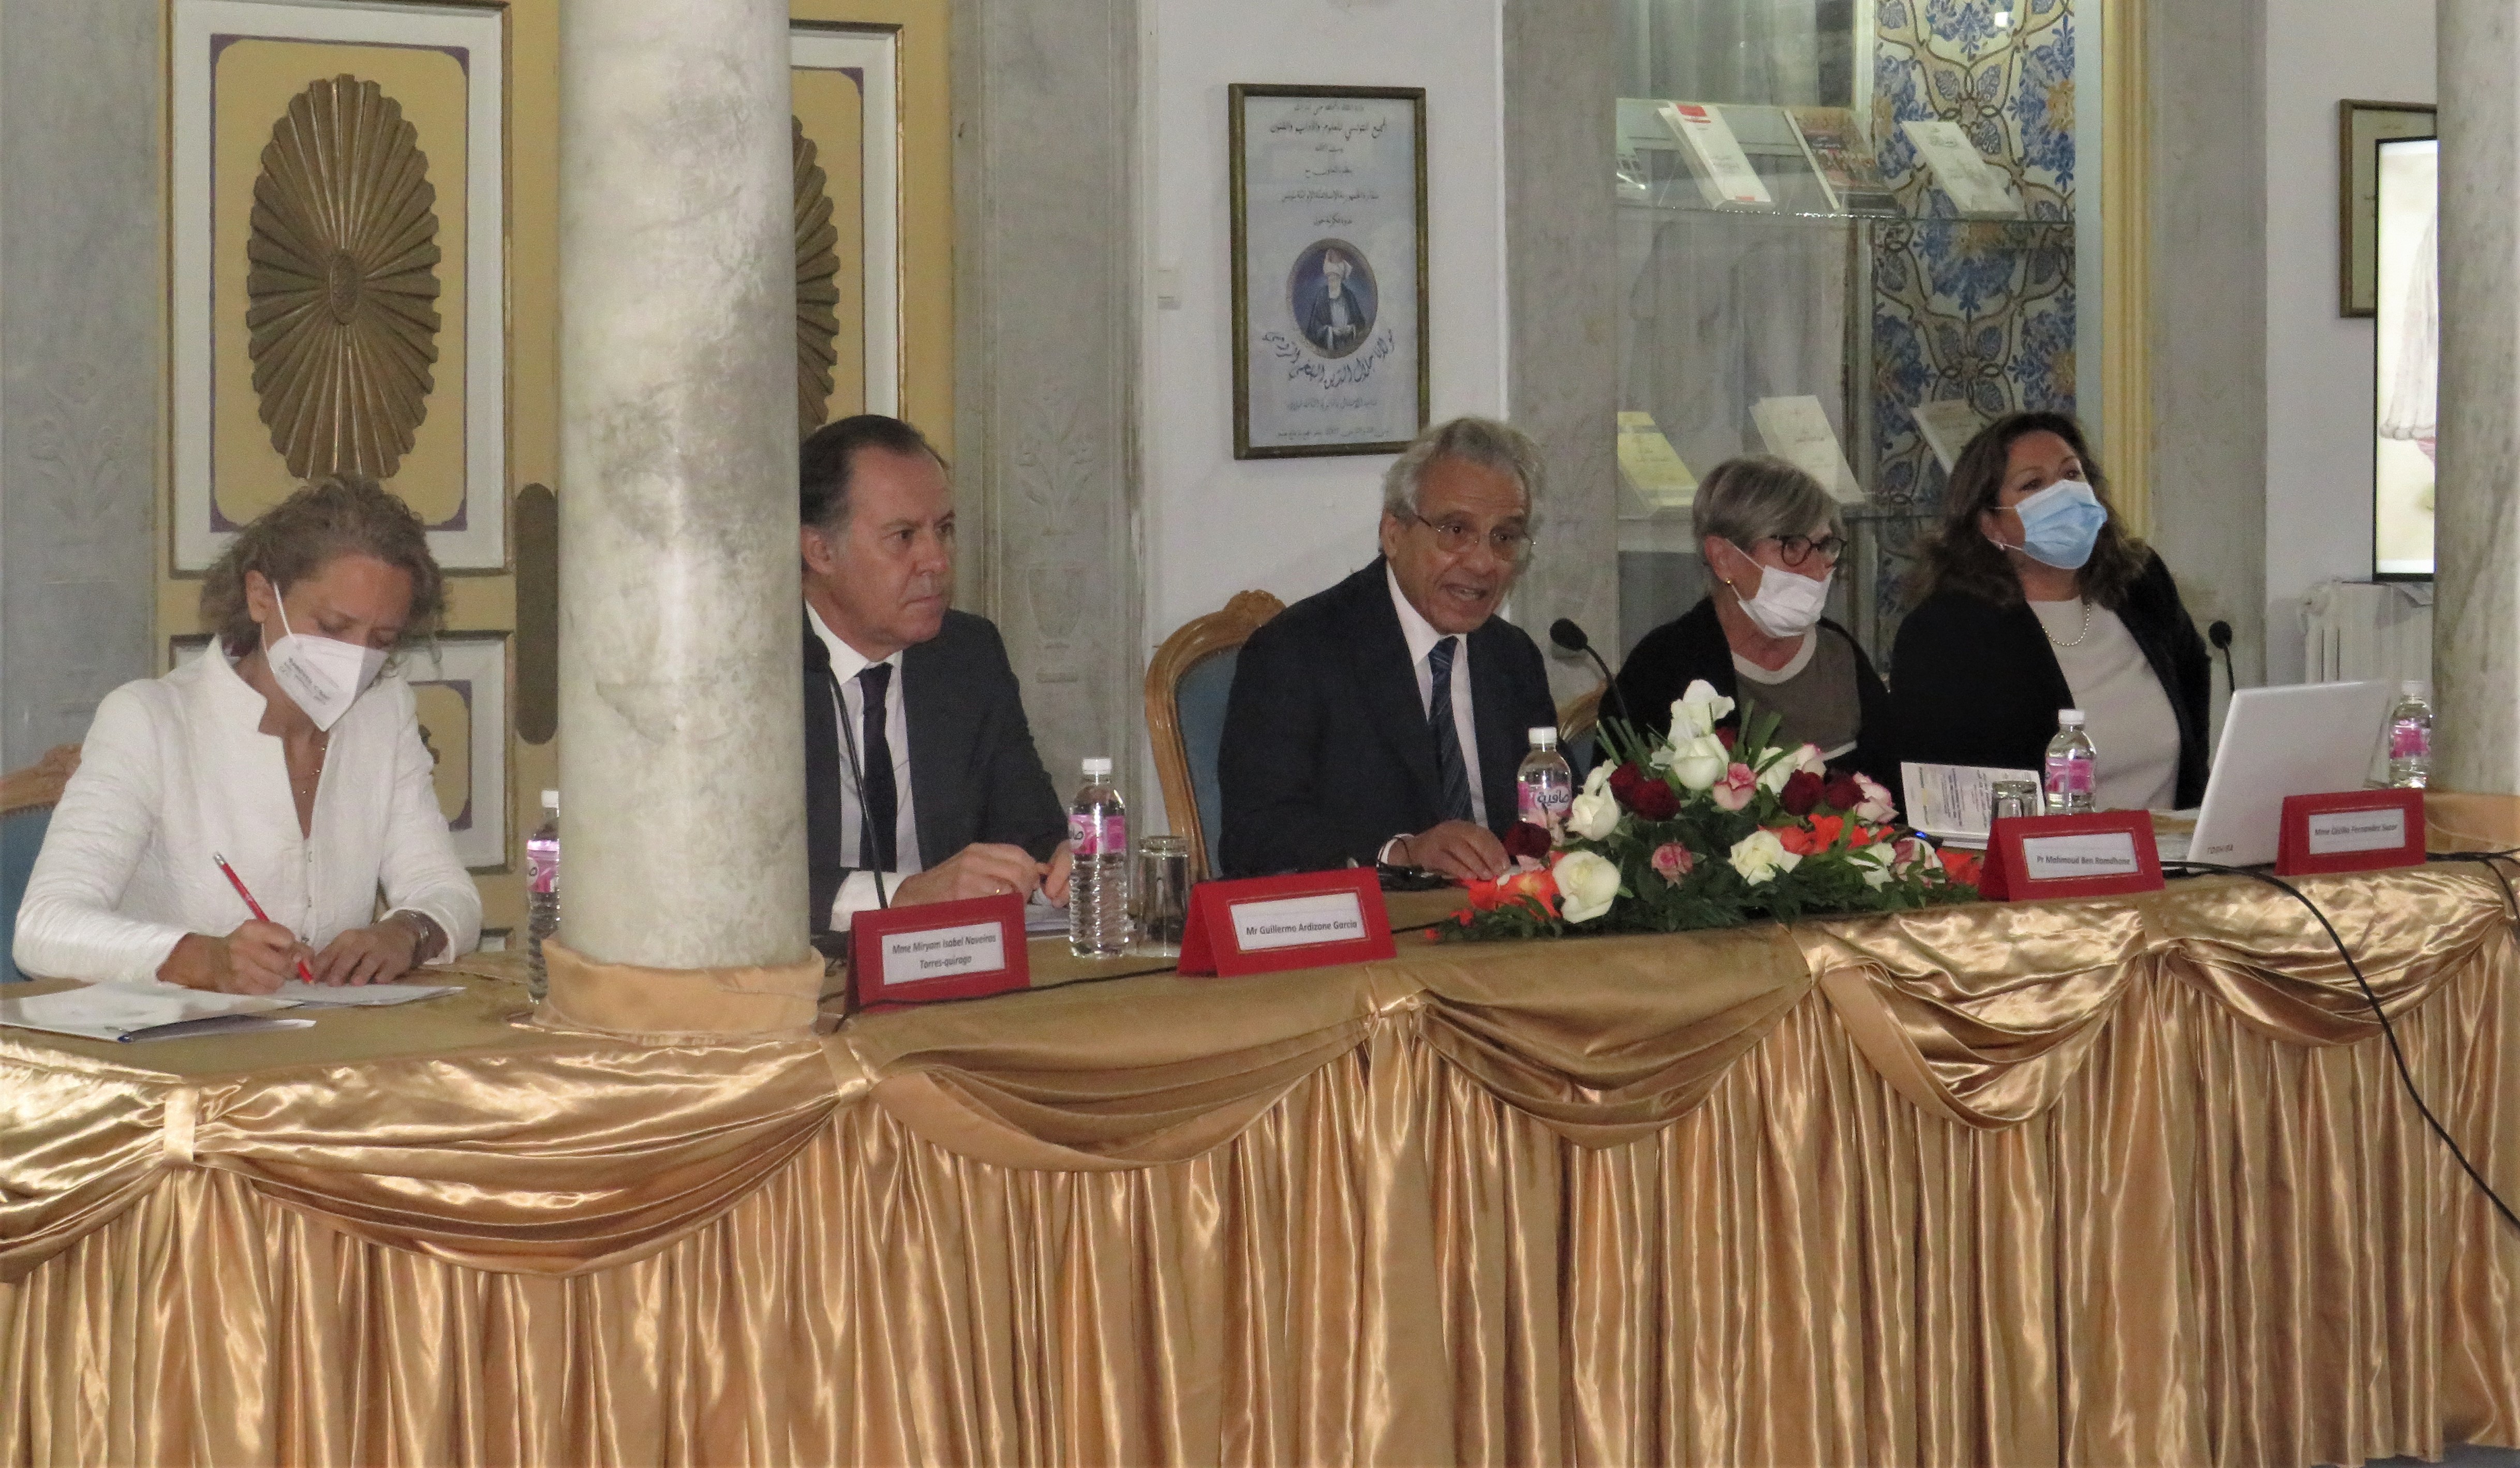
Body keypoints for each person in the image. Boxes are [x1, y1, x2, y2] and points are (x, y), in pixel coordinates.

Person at [14, 477, 481, 992]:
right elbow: (43, 928)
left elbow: (446, 891)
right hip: (177, 1035)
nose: (355, 658)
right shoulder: (149, 720)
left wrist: (407, 931)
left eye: (382, 639)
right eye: (332, 626)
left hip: (333, 1035)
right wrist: (199, 958)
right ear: (261, 597)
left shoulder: (383, 711)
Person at [1218, 416, 1561, 881]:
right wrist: (1399, 853)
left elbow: (1556, 814)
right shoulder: (1298, 652)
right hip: (1375, 920)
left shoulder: (1513, 659)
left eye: (1504, 538)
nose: (1483, 563)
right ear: (1394, 533)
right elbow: (1256, 836)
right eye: (1455, 531)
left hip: (1504, 917)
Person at [799, 414, 1070, 936]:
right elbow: (720, 874)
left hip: (948, 964)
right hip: (789, 972)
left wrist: (1060, 865)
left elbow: (1029, 830)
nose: (937, 561)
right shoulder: (746, 674)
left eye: (943, 530)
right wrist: (903, 896)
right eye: (903, 536)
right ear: (821, 551)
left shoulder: (966, 656)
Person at [1890, 410, 2211, 810]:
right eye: (2033, 484)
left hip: (2171, 845)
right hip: (2041, 847)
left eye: (2072, 475)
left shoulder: (2141, 584)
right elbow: (1944, 787)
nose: (2063, 495)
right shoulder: (1948, 632)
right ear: (1990, 525)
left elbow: (2193, 689)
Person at [1609, 456, 1894, 793]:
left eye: (1824, 546)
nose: (1818, 569)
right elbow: (1625, 802)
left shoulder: (1839, 656)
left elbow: (1897, 791)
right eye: (1792, 546)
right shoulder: (1661, 670)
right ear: (1723, 558)